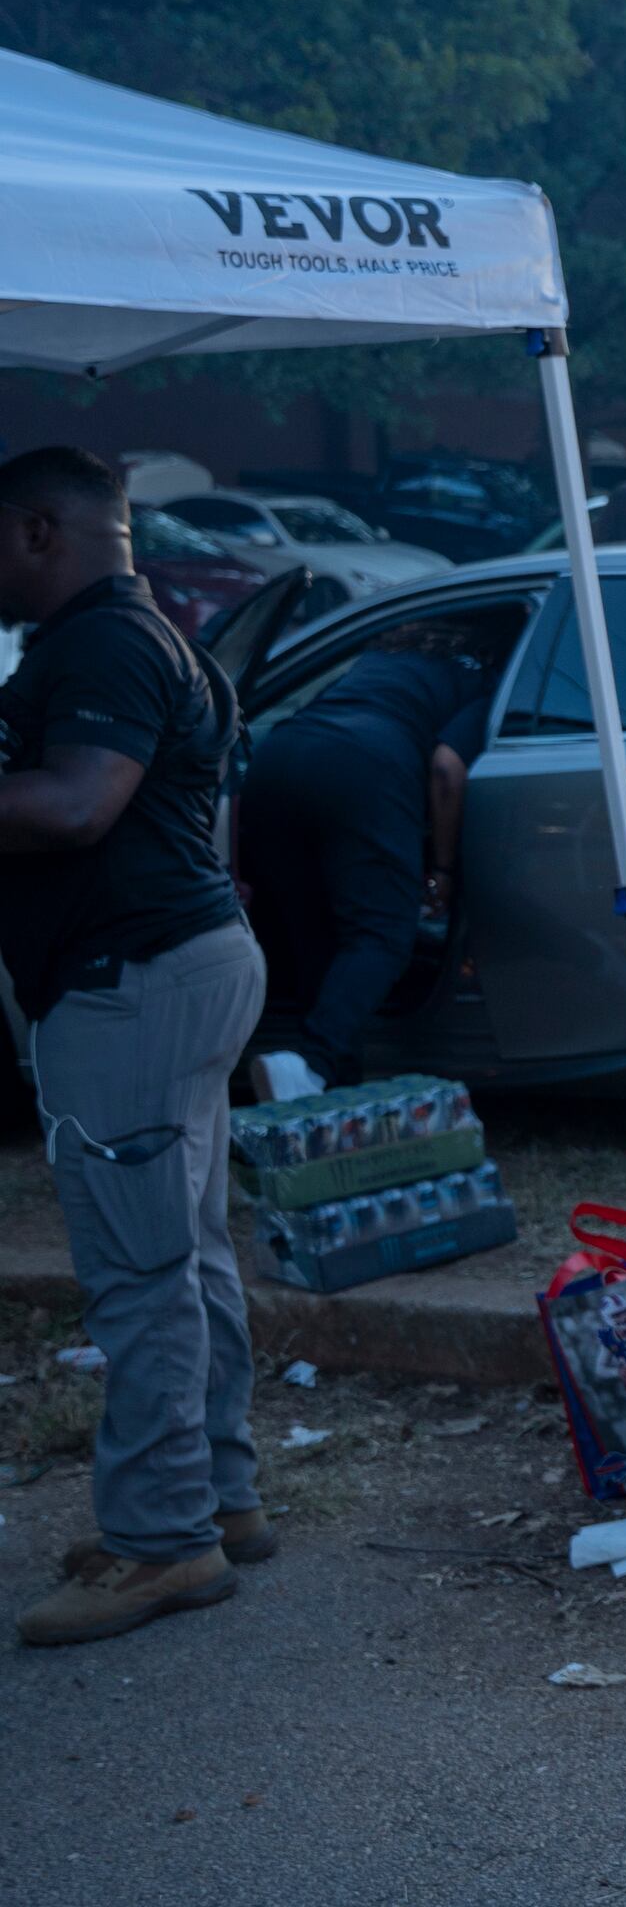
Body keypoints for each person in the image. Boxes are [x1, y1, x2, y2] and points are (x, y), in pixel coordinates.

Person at [0, 445, 270, 1648]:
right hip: (181, 962)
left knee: (144, 1268)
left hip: (134, 983)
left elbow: (77, 804)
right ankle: (219, 1494)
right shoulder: (162, 632)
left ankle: (165, 1543)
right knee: (187, 1246)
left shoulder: (105, 644)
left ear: (42, 532)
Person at [239, 612, 500, 1090]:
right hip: (366, 768)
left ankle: (332, 1089)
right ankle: (311, 1064)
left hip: (276, 760)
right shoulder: (482, 679)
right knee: (382, 933)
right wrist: (441, 868)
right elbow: (447, 767)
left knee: (316, 939)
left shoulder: (382, 658)